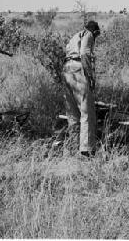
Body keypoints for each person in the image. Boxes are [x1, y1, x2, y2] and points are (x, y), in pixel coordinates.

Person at [53, 20, 100, 157]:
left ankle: (73, 145)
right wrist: (90, 76)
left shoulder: (75, 35)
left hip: (67, 69)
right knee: (87, 111)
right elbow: (85, 53)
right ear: (95, 31)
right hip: (79, 70)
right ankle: (86, 149)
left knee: (72, 112)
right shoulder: (89, 34)